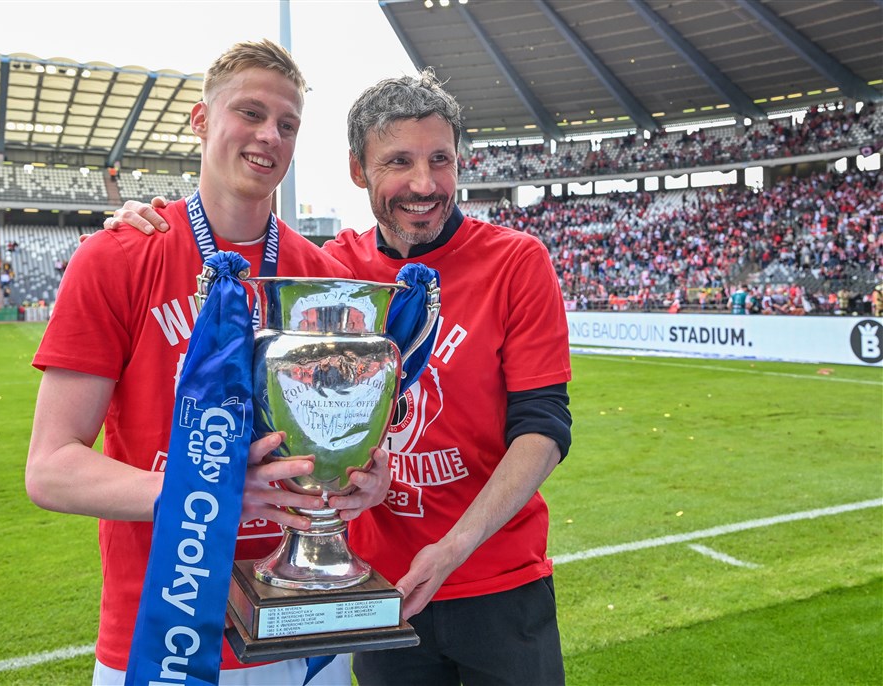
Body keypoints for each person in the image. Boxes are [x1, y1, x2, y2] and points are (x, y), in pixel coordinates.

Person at [112, 68, 573, 686]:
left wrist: (454, 548)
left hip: (497, 581)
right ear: (358, 170)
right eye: (399, 161)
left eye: (440, 159)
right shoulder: (332, 269)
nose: (424, 183)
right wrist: (144, 216)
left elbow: (543, 428)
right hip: (370, 587)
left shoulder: (517, 261)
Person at [25, 40, 390, 686]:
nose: (269, 135)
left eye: (287, 124)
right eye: (250, 113)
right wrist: (209, 493)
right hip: (161, 633)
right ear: (200, 120)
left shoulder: (320, 275)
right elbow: (51, 469)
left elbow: (343, 433)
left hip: (302, 627)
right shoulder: (115, 258)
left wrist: (365, 479)